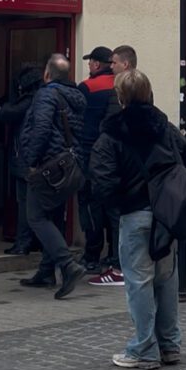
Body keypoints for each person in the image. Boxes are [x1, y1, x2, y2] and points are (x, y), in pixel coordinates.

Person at [90, 69, 186, 369]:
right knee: (166, 280)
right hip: (166, 213)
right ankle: (170, 344)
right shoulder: (166, 128)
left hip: (135, 214)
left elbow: (101, 178)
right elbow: (184, 162)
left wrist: (119, 204)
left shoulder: (112, 133)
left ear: (120, 97)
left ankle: (144, 349)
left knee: (139, 282)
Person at [18, 54, 87, 299]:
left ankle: (67, 265)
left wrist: (31, 160)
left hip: (49, 166)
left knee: (35, 216)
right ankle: (46, 272)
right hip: (68, 166)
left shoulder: (46, 94)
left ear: (47, 74)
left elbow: (42, 129)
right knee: (54, 215)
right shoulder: (76, 96)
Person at [76, 46, 124, 287]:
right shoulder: (123, 85)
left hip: (90, 155)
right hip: (117, 158)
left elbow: (77, 120)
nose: (88, 66)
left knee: (91, 208)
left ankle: (92, 255)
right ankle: (115, 256)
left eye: (90, 62)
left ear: (97, 64)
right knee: (114, 212)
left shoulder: (88, 87)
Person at [0, 66, 42, 255]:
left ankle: (24, 242)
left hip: (25, 158)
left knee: (25, 202)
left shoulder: (29, 101)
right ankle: (35, 241)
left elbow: (5, 113)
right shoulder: (43, 99)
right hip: (36, 158)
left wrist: (8, 100)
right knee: (35, 204)